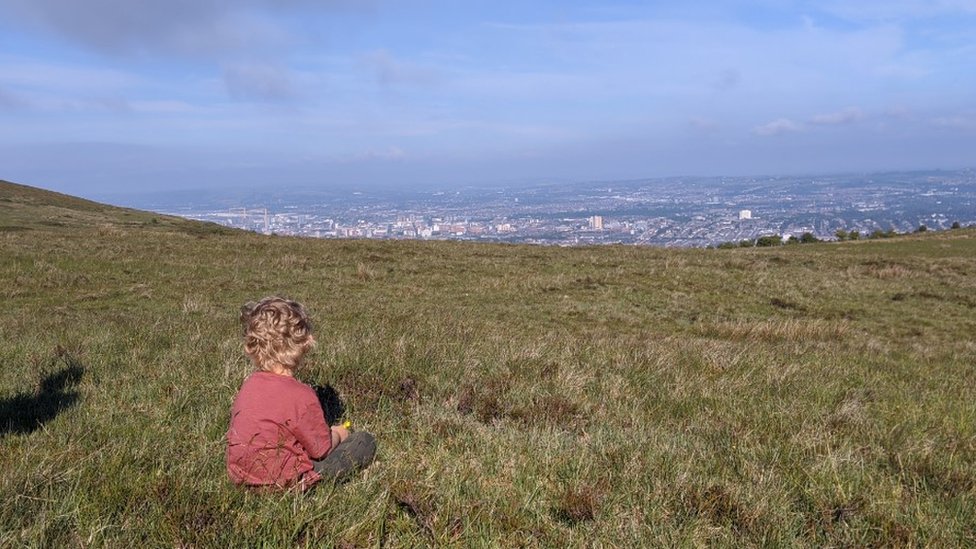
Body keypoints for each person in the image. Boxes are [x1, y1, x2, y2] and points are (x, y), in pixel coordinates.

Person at [226, 296, 376, 490]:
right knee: (364, 441)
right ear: (304, 343)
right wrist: (339, 433)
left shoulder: (249, 386)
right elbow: (321, 450)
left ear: (252, 346)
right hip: (284, 483)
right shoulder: (301, 394)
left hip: (242, 479)